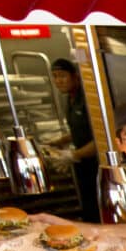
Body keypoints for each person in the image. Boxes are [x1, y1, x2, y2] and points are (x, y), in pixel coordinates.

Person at [50, 59, 99, 222]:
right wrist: (59, 141)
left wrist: (73, 154)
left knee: (97, 209)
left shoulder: (87, 100)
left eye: (63, 76)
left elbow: (100, 138)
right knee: (89, 209)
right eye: (55, 76)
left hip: (97, 165)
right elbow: (80, 129)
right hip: (83, 165)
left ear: (75, 76)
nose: (59, 81)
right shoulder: (70, 99)